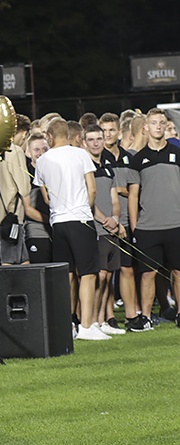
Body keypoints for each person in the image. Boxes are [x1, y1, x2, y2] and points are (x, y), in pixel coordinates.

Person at [35, 118, 118, 341]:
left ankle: (69, 324)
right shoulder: (80, 154)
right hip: (80, 220)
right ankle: (87, 325)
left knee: (68, 275)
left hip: (58, 222)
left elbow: (46, 197)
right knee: (88, 274)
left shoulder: (42, 160)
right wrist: (84, 208)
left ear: (50, 137)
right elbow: (92, 189)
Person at [128, 107, 180, 329]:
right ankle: (146, 317)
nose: (158, 127)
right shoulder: (138, 159)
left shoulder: (177, 154)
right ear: (145, 128)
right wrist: (134, 228)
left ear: (166, 126)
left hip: (176, 224)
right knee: (148, 274)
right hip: (148, 227)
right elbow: (132, 196)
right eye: (154, 123)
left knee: (178, 272)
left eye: (162, 123)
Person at [83, 125, 126, 336]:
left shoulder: (109, 166)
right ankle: (90, 321)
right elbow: (87, 201)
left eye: (99, 138)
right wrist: (105, 220)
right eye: (91, 139)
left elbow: (114, 199)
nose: (96, 143)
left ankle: (101, 320)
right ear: (84, 143)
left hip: (111, 228)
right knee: (98, 276)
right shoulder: (84, 167)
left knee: (108, 276)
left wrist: (116, 219)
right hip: (96, 229)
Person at [0, 126, 31, 266]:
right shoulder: (14, 151)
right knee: (9, 265)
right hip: (12, 217)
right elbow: (24, 188)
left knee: (24, 261)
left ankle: (28, 289)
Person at [23, 132, 52, 263]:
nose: (41, 153)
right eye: (36, 150)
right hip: (37, 231)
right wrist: (50, 220)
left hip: (57, 231)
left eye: (44, 149)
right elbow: (27, 209)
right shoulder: (25, 176)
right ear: (28, 152)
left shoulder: (54, 173)